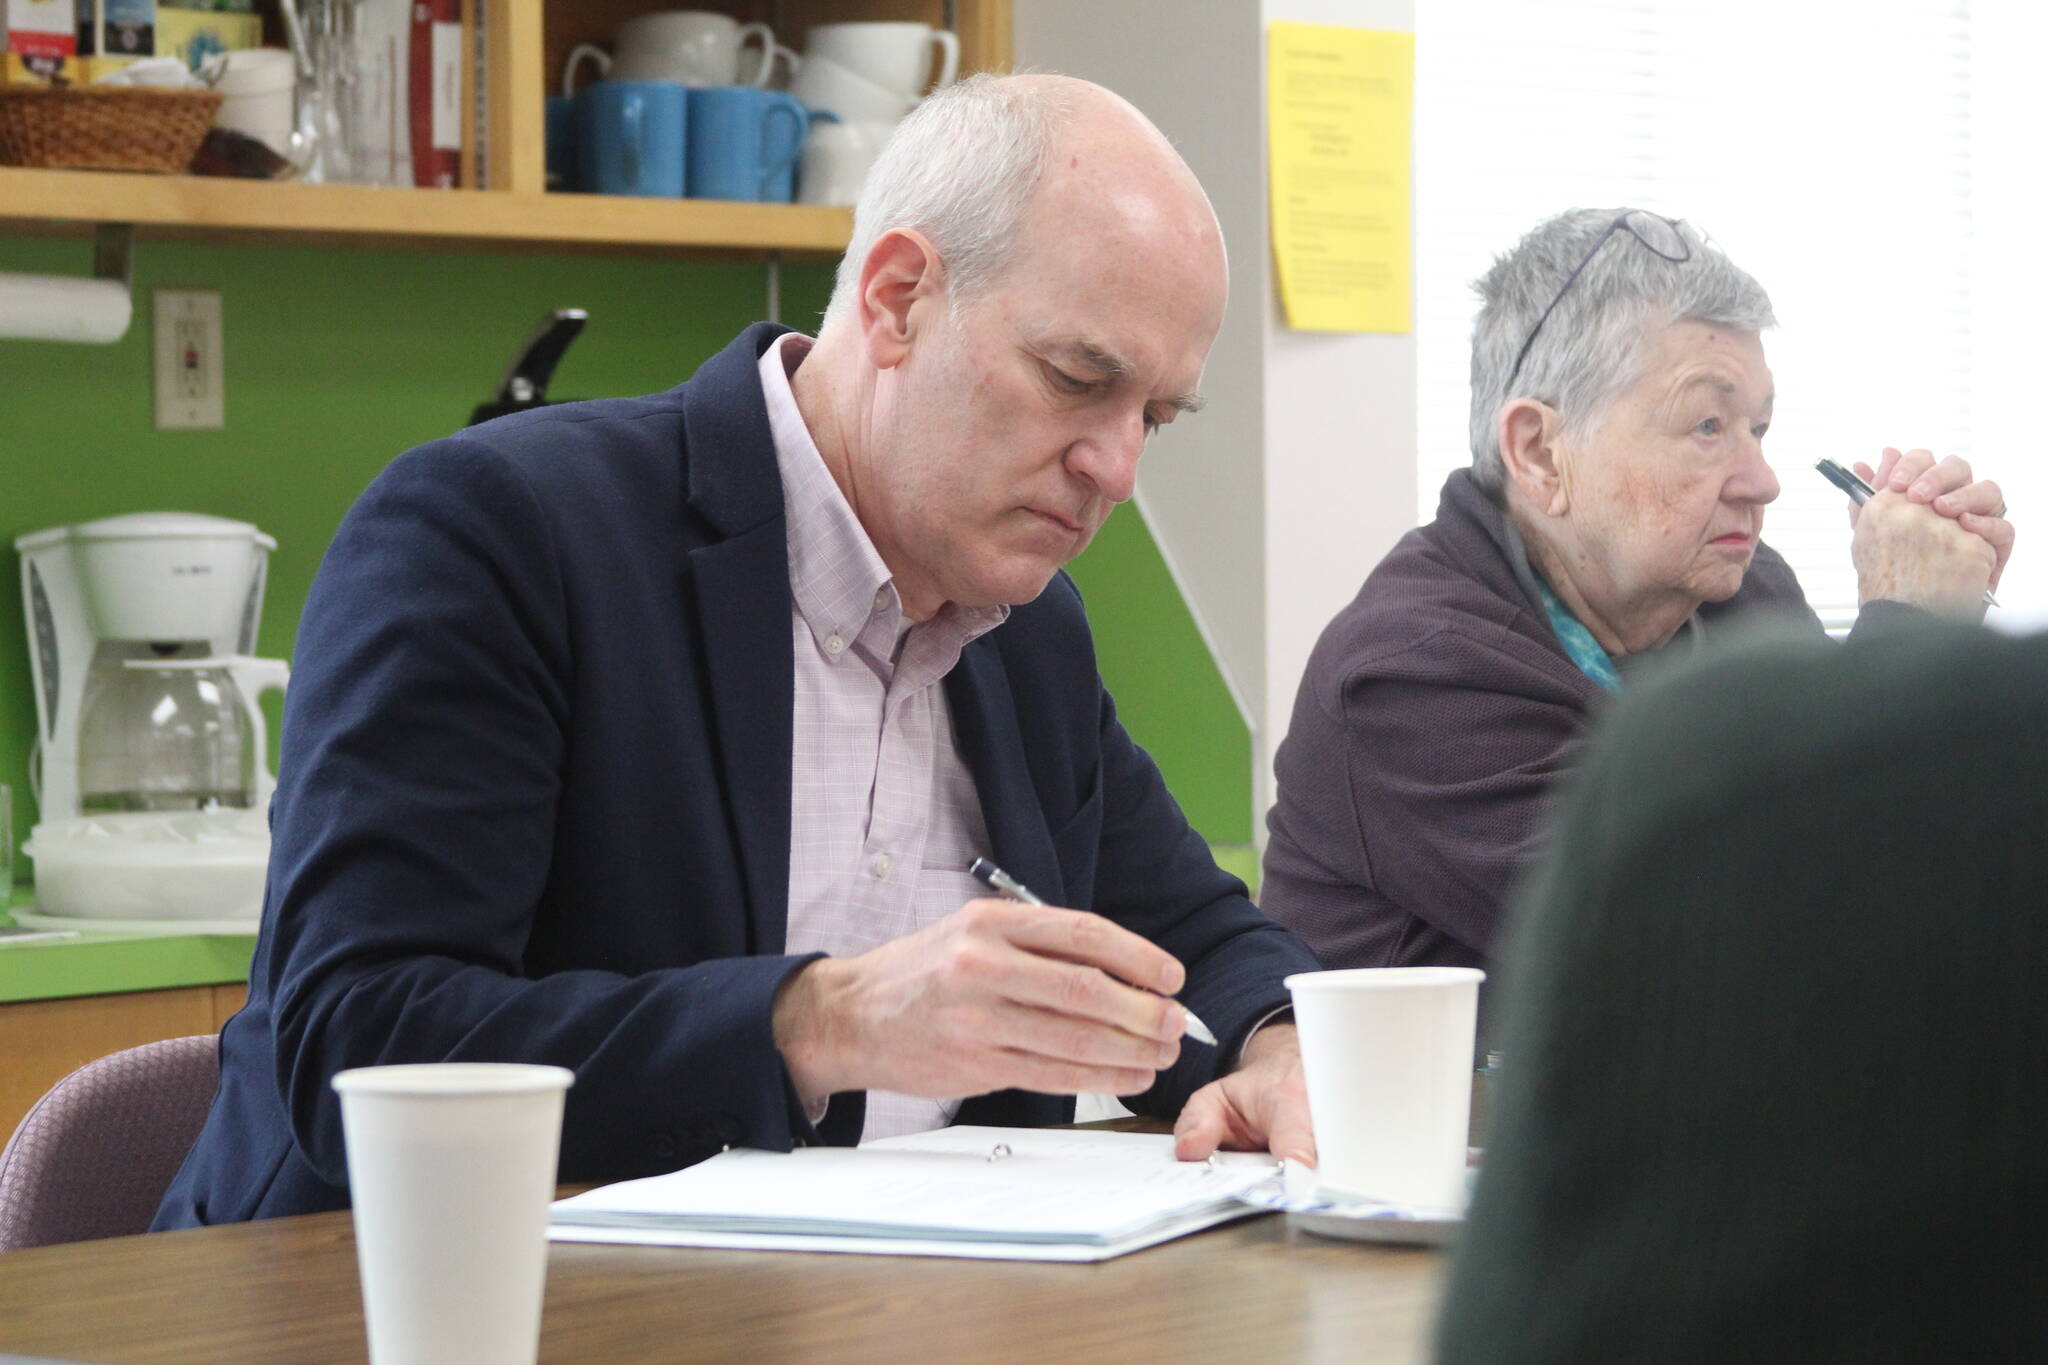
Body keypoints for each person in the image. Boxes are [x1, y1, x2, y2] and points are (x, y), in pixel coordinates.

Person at [155, 74, 1320, 1228]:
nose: (1115, 469)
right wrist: (819, 1021)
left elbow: (1194, 938)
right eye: (1078, 379)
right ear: (897, 297)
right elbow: (360, 1037)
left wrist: (1276, 1048)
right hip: (401, 1307)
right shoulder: (501, 533)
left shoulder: (1025, 635)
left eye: (1154, 418)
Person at [1260, 208, 2013, 975]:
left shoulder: (1748, 599)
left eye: (1759, 427)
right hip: (1435, 1099)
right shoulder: (1409, 673)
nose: (1763, 481)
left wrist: (1947, 650)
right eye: (1708, 425)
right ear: (1540, 454)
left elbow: (1884, 866)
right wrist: (1904, 640)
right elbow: (1738, 945)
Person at [1434, 615, 2048, 1361]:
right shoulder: (1428, 657)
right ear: (1545, 486)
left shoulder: (1734, 655)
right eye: (1690, 482)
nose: (1758, 489)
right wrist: (1900, 626)